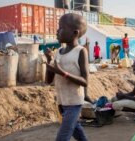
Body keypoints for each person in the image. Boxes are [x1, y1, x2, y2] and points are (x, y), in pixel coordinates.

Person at [45, 13, 88, 141]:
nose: (57, 31)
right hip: (62, 102)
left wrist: (63, 72)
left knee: (62, 137)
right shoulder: (58, 52)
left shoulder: (81, 51)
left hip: (74, 102)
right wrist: (49, 61)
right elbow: (48, 80)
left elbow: (85, 81)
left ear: (75, 33)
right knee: (78, 132)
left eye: (61, 28)